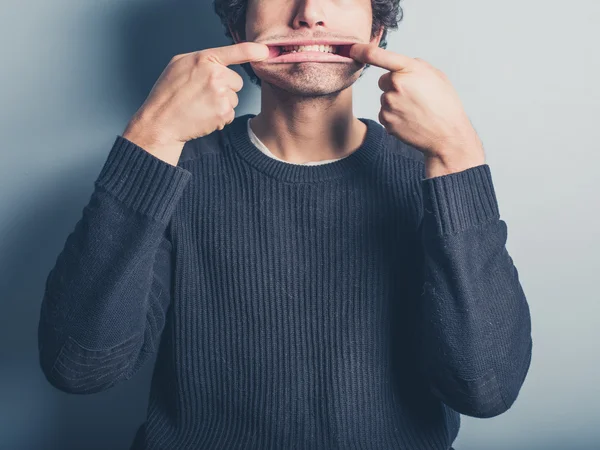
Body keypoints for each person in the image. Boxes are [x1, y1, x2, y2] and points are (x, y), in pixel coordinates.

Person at [37, 0, 533, 449]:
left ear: (377, 29)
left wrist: (459, 156)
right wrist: (150, 137)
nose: (310, 13)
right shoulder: (167, 170)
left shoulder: (436, 177)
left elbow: (485, 388)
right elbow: (80, 368)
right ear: (237, 24)